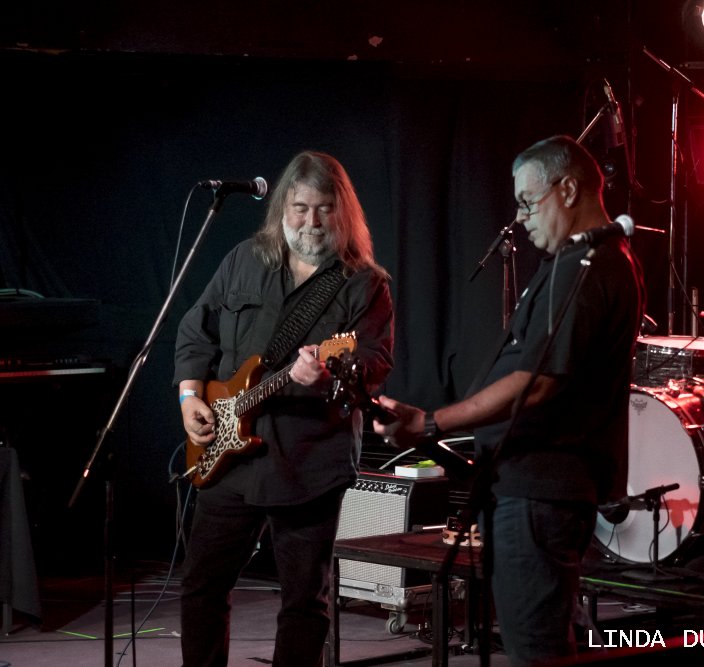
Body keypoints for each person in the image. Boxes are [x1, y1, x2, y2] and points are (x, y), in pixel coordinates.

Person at [374, 136, 644, 666]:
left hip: (540, 492)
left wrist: (431, 422)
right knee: (537, 641)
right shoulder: (578, 262)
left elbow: (536, 381)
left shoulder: (589, 266)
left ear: (569, 189)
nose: (520, 218)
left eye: (527, 202)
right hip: (532, 488)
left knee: (536, 650)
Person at [174, 151, 394, 667]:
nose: (311, 221)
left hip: (308, 462)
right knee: (201, 587)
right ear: (282, 208)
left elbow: (374, 362)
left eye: (323, 209)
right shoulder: (244, 259)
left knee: (303, 603)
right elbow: (195, 330)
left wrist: (328, 375)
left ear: (342, 212)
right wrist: (188, 396)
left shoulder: (364, 283)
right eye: (300, 208)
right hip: (229, 461)